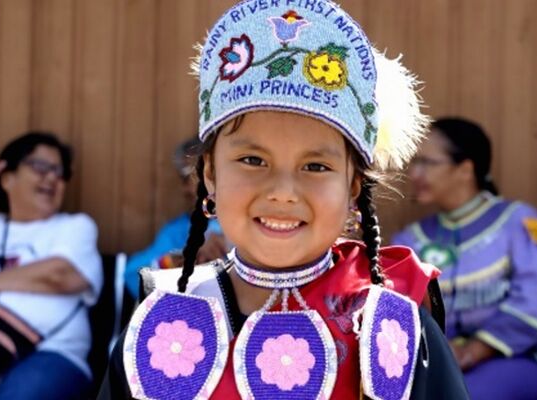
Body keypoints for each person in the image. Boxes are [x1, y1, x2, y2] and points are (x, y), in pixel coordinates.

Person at [99, 1, 469, 399]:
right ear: (209, 174)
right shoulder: (163, 323)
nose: (282, 191)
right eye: (252, 160)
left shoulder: (391, 328)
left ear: (353, 189)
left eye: (315, 167)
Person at [393, 117, 537, 399]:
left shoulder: (519, 222)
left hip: (525, 356)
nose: (414, 173)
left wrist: (471, 352)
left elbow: (535, 300)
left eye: (427, 163)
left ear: (465, 169)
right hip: (444, 365)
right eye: (414, 162)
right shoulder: (410, 240)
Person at [0, 132, 102, 399]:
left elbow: (58, 276)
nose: (52, 177)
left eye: (59, 172)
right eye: (40, 167)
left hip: (52, 353)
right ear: (6, 178)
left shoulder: (74, 227)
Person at [124, 139, 226, 299]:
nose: (188, 187)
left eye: (210, 172)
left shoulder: (247, 224)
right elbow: (133, 276)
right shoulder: (176, 231)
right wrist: (186, 256)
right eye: (187, 178)